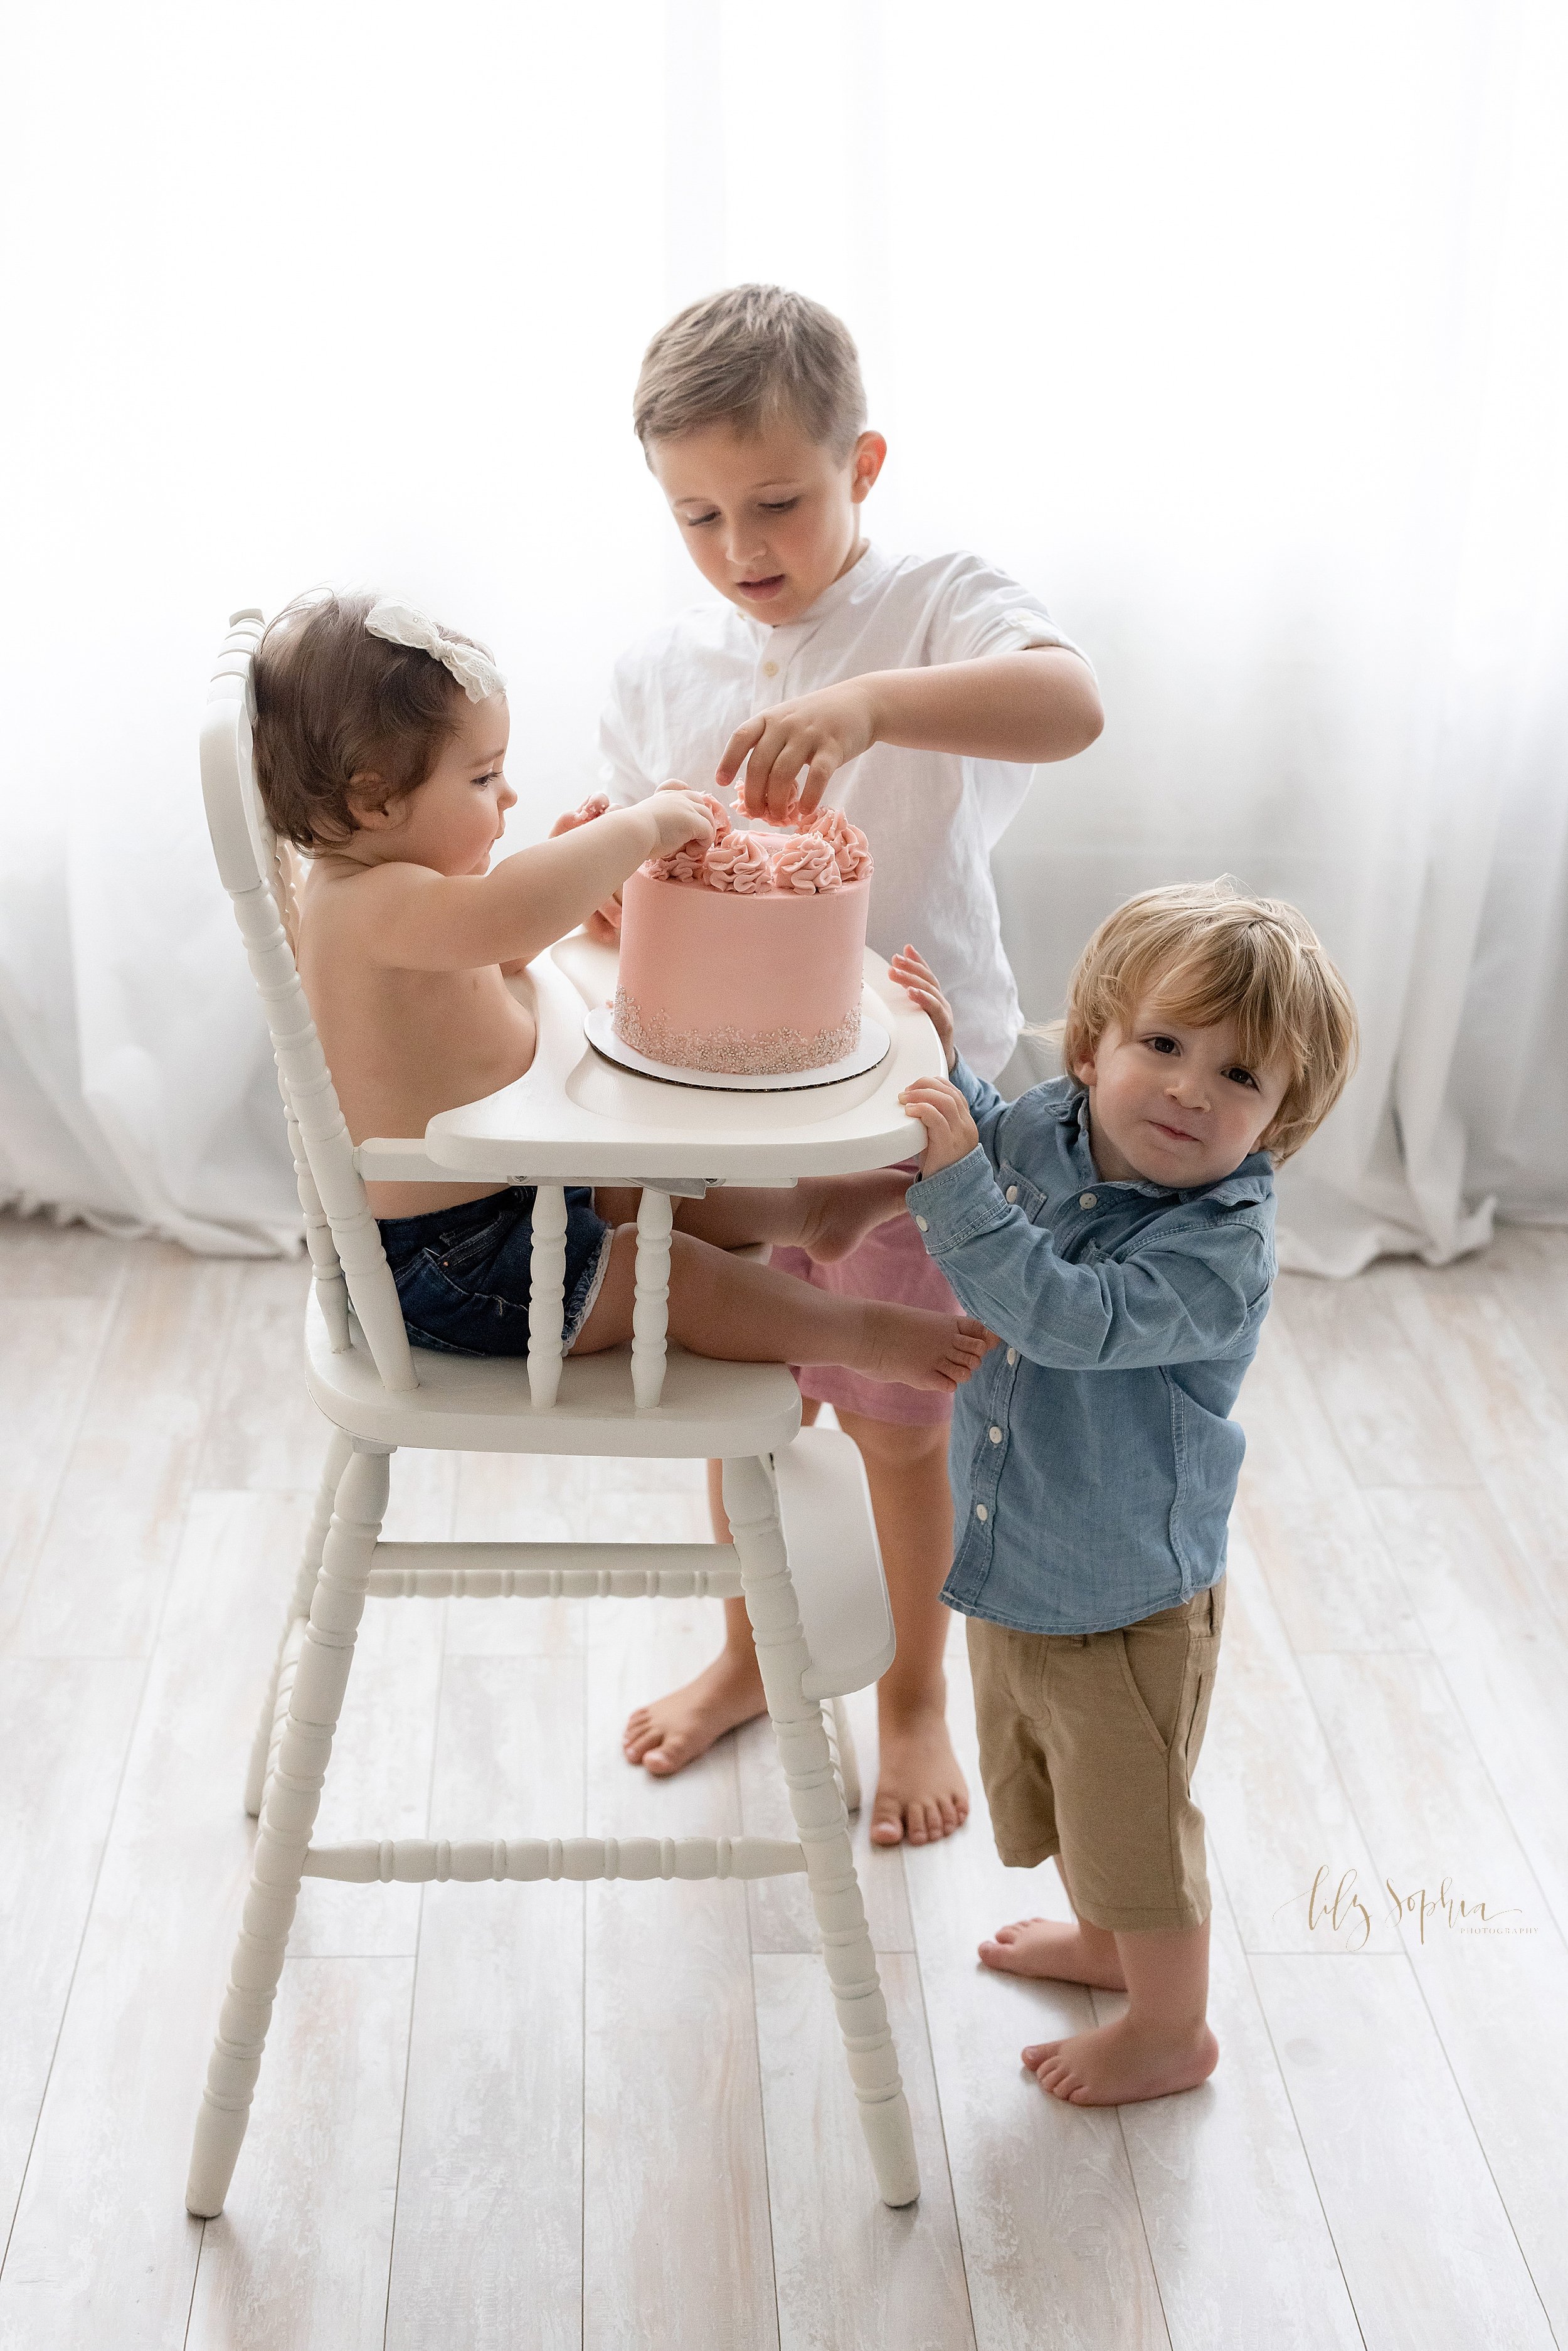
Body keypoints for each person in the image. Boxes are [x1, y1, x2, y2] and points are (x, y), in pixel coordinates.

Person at [603, 284, 1104, 1845]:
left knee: (897, 1424)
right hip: (722, 1113)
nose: (740, 548)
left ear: (862, 467)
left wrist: (877, 700)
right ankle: (755, 1654)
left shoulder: (936, 602)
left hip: (908, 1118)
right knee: (746, 1410)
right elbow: (631, 885)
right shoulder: (660, 662)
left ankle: (909, 1697)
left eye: (778, 503)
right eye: (696, 515)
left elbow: (1070, 703)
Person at [248, 588, 991, 1395]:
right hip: (450, 1262)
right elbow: (504, 916)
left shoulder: (402, 895)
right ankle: (859, 1332)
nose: (508, 798)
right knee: (659, 1271)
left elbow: (498, 945)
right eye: (483, 777)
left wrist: (576, 877)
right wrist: (632, 832)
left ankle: (812, 1214)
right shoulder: (364, 905)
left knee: (651, 1185)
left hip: (515, 1189)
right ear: (372, 797)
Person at [893, 884, 1357, 2103]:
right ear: (1091, 1040)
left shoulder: (1216, 1249)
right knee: (1054, 1784)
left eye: (1241, 1077)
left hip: (1125, 1597)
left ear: (1277, 1120)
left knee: (1136, 1829)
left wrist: (950, 1191)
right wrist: (944, 1069)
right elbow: (993, 1145)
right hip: (1017, 1554)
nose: (1192, 1089)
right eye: (1163, 1044)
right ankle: (1104, 1941)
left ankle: (1169, 2028)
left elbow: (1060, 1313)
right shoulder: (1057, 1126)